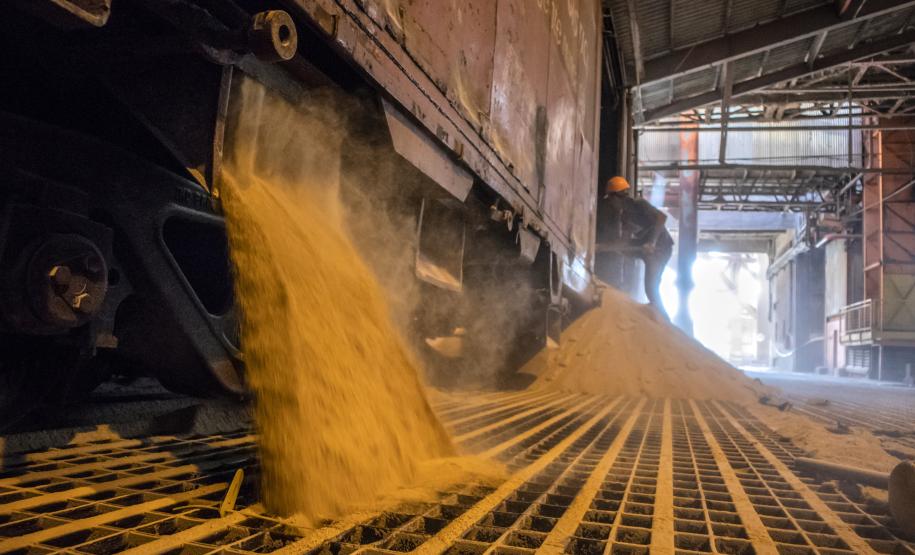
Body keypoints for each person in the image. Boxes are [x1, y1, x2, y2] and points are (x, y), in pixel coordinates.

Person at [598, 176, 673, 317]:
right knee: (622, 249)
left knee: (651, 288)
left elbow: (661, 218)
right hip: (644, 248)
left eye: (610, 199)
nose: (610, 203)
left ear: (618, 196)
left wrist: (652, 242)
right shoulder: (624, 216)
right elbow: (624, 243)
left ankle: (663, 320)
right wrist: (601, 247)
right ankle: (657, 314)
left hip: (660, 248)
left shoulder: (640, 204)